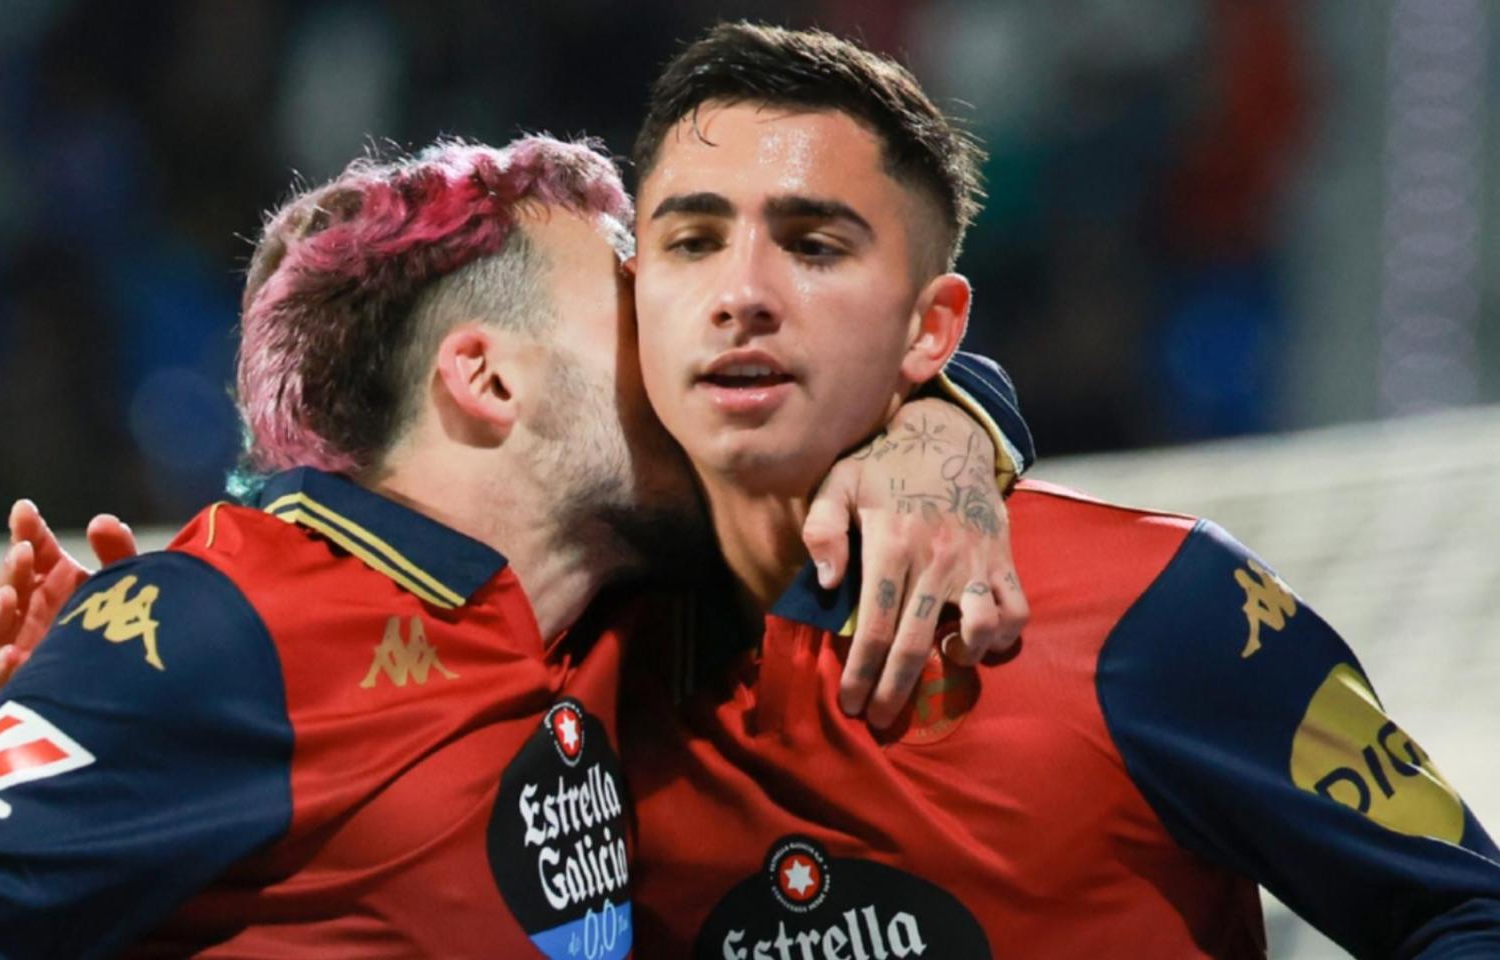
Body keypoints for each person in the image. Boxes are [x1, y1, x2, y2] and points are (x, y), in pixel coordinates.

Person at [0, 129, 1030, 954]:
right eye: (626, 298)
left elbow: (860, 357)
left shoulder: (621, 608)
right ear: (485, 381)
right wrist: (119, 688)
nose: (692, 334)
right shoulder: (229, 622)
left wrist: (946, 437)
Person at [609, 23, 1500, 957]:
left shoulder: (1163, 605)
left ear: (932, 328)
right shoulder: (576, 632)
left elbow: (1465, 915)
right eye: (693, 241)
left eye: (815, 245)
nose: (740, 292)